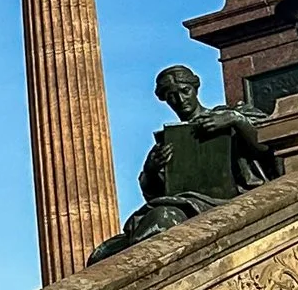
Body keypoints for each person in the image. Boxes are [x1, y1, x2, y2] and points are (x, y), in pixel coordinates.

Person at [90, 67, 280, 257]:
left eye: (184, 91)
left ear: (195, 88)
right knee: (102, 254)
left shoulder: (230, 115)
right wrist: (151, 170)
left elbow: (267, 146)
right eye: (172, 96)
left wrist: (237, 120)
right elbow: (157, 194)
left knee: (161, 218)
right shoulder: (170, 141)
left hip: (227, 201)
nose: (180, 100)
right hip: (189, 206)